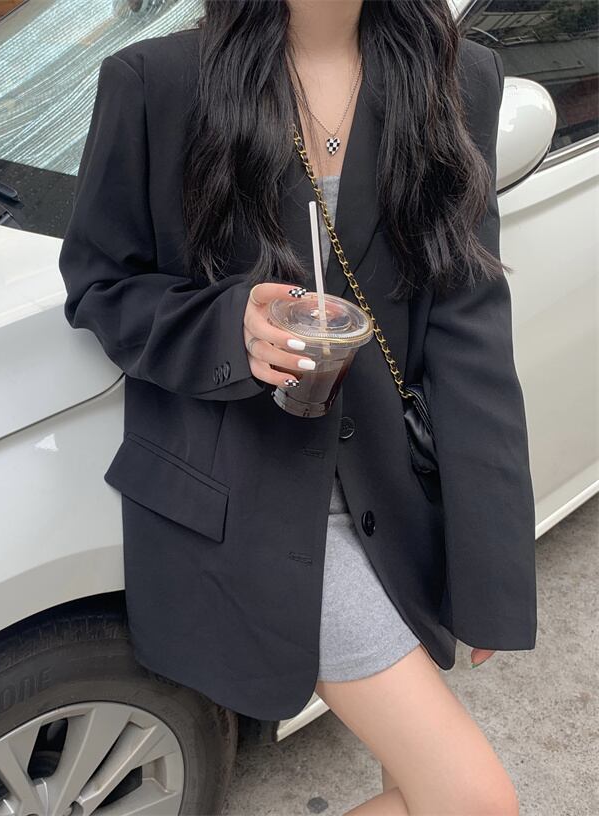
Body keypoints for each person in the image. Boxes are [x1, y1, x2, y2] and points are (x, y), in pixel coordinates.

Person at [59, 1, 537, 813]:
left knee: (413, 776)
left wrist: (492, 567)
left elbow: (471, 335)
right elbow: (102, 285)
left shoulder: (457, 79)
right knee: (471, 800)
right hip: (252, 504)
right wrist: (228, 327)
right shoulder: (159, 82)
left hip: (404, 497)